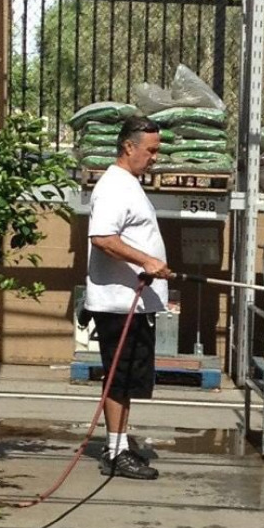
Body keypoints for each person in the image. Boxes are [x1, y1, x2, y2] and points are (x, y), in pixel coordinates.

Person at [85, 115, 172, 479]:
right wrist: (146, 261)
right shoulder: (114, 187)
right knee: (118, 378)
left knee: (128, 377)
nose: (154, 157)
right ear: (128, 147)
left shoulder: (130, 184)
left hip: (133, 303)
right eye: (150, 151)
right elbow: (102, 238)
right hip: (119, 302)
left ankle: (119, 441)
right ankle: (115, 451)